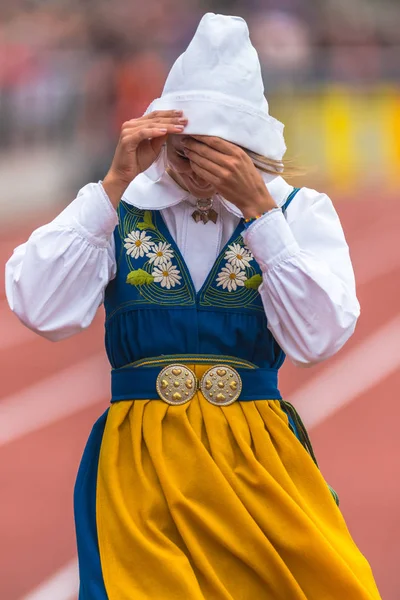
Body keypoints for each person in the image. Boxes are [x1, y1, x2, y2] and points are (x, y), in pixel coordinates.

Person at [5, 13, 381, 600]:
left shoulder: (297, 212)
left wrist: (262, 215)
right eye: (186, 152)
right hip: (142, 462)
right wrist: (108, 188)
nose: (197, 169)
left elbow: (321, 337)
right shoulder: (123, 206)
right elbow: (38, 305)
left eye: (219, 153)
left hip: (258, 461)